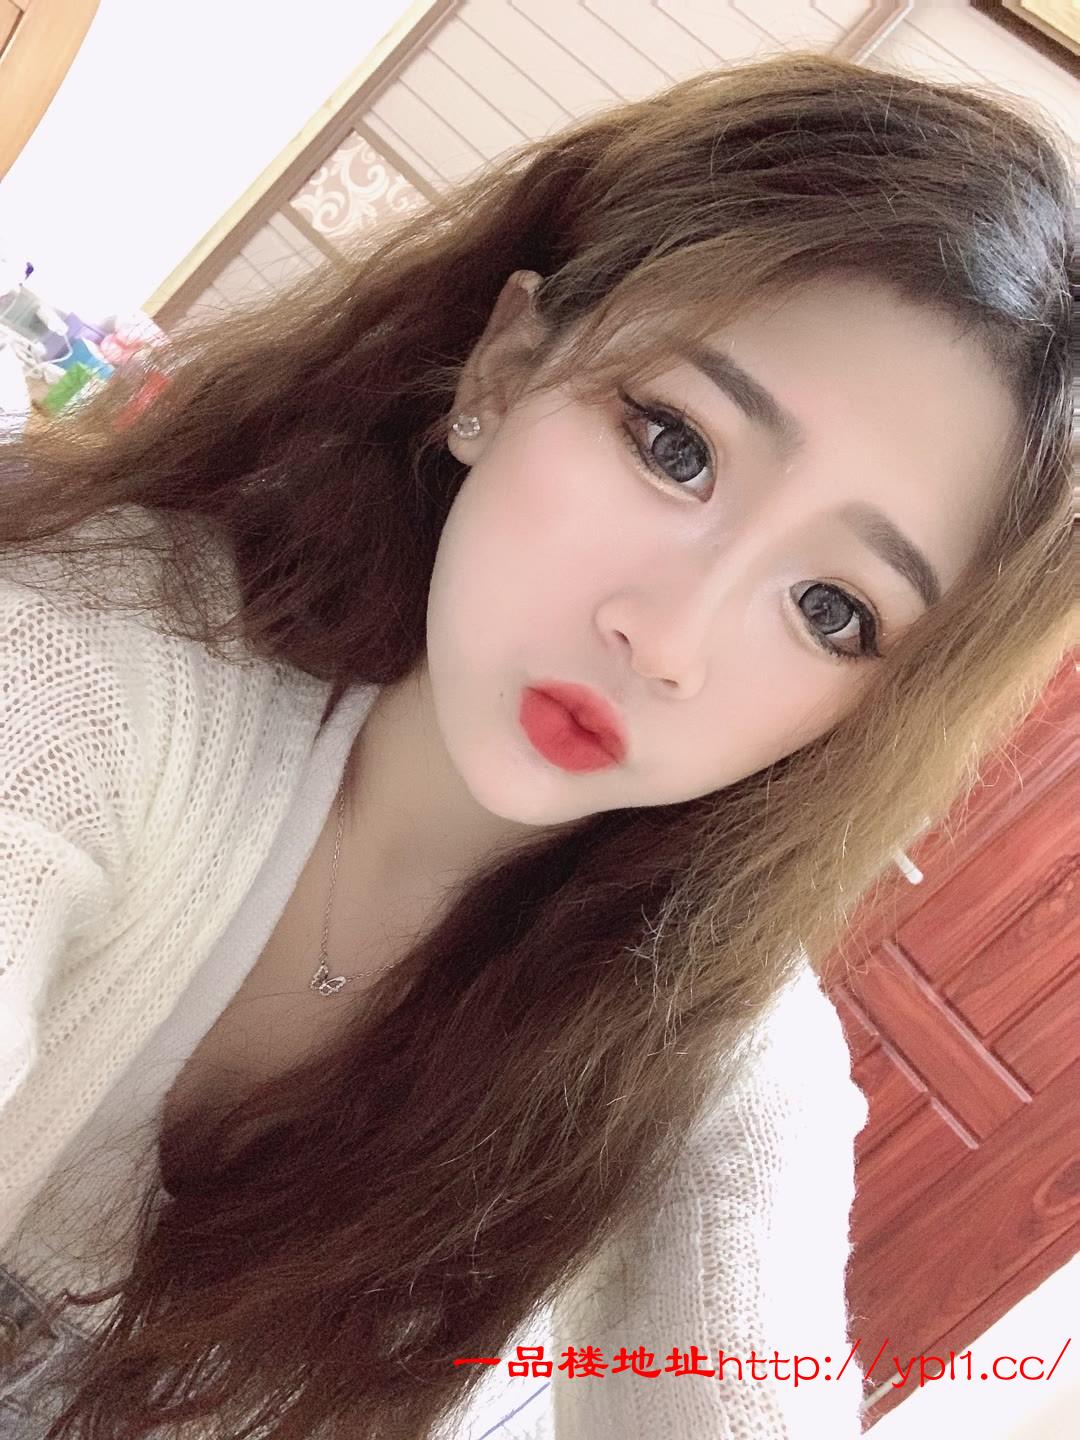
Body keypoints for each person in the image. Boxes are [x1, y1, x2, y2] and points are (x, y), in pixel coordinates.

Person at [0, 49, 1074, 1440]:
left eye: (832, 611)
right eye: (676, 445)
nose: (669, 638)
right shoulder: (94, 655)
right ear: (506, 370)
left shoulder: (710, 1057)